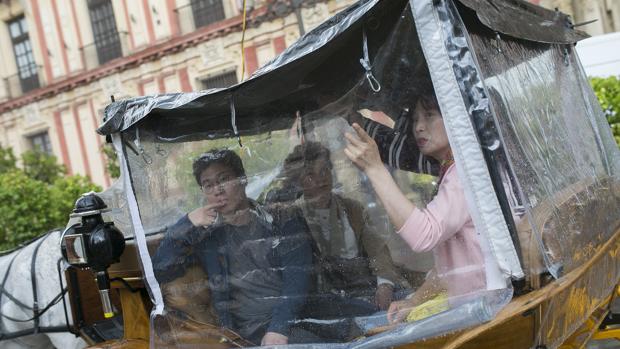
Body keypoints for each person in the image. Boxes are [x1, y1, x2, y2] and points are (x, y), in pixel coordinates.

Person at [344, 93, 487, 324]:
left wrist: (374, 168)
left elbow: (424, 234)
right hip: (470, 310)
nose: (419, 127)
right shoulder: (453, 169)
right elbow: (447, 270)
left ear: (455, 115)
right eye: (415, 120)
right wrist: (414, 301)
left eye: (429, 116)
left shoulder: (465, 172)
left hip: (487, 314)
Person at [152, 149, 314, 346]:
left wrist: (278, 328)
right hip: (246, 332)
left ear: (243, 179)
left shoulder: (281, 220)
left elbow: (298, 281)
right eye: (208, 185)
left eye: (224, 179)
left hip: (298, 320)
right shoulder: (207, 237)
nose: (217, 190)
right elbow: (162, 270)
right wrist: (187, 222)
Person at [281, 142, 408, 311]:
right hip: (327, 298)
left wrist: (384, 285)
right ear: (299, 182)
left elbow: (378, 250)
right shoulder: (293, 216)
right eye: (310, 175)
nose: (321, 179)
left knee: (408, 302)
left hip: (365, 286)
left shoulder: (352, 208)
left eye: (325, 170)